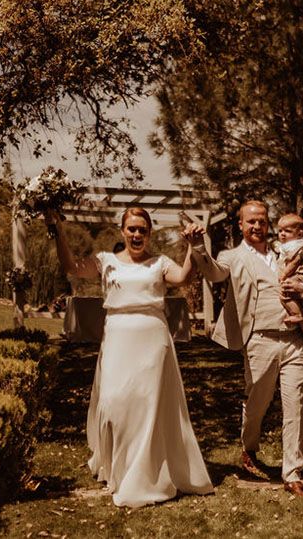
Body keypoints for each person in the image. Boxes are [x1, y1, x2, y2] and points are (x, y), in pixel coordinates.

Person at [46, 206, 213, 508]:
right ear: (122, 231)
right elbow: (71, 266)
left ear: (149, 234)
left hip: (153, 339)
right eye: (132, 229)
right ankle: (118, 468)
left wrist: (192, 247)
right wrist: (57, 230)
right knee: (113, 403)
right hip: (118, 337)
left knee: (147, 406)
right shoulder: (104, 261)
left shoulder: (159, 262)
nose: (137, 234)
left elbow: (185, 278)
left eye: (143, 230)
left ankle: (141, 476)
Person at [184, 200, 303, 497]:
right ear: (241, 226)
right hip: (259, 340)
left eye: (262, 221)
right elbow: (214, 273)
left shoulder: (285, 250)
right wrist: (197, 246)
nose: (257, 226)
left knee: (296, 402)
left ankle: (293, 472)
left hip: (295, 338)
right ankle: (249, 448)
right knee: (258, 400)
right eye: (251, 222)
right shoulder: (230, 256)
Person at [276, 214, 303, 328]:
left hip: (299, 274)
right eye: (280, 230)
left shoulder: (296, 246)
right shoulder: (289, 245)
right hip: (300, 275)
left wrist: (284, 275)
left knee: (285, 292)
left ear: (299, 234)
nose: (282, 233)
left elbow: (294, 263)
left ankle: (297, 315)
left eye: (287, 231)